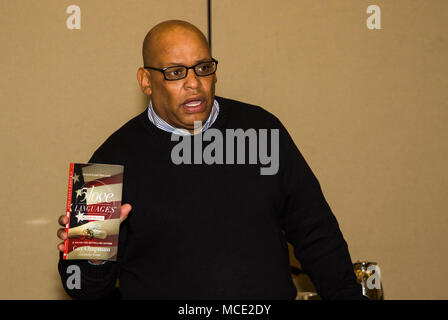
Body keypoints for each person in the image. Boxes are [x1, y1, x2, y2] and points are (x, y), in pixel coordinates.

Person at [57, 20, 365, 300]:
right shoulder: (107, 162)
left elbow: (318, 234)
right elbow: (81, 287)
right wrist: (93, 255)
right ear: (146, 81)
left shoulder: (260, 129)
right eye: (176, 72)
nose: (194, 83)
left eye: (203, 68)